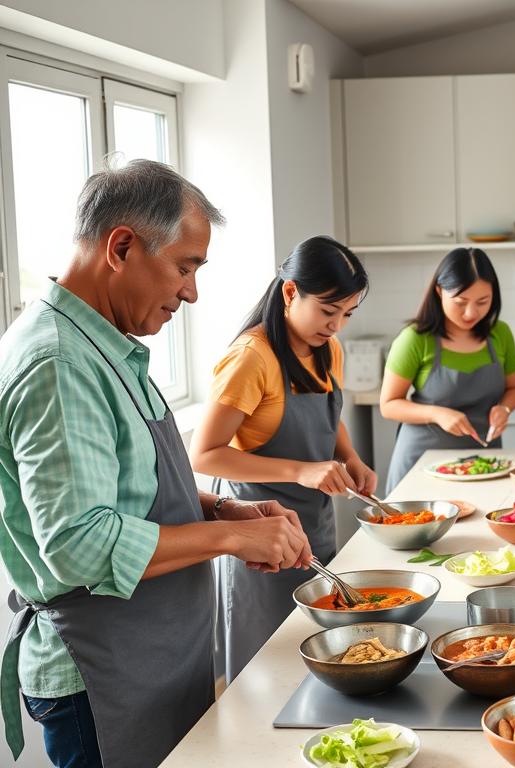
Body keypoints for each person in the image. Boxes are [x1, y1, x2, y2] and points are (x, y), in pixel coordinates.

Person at [0, 160, 310, 768]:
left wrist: (223, 507)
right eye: (185, 266)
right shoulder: (60, 364)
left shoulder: (108, 347)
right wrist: (229, 536)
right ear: (121, 246)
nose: (191, 291)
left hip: (155, 657)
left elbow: (134, 489)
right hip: (104, 677)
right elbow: (78, 546)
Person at [189, 236, 373, 682]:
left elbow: (330, 419)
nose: (336, 326)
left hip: (315, 528)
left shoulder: (327, 349)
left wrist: (349, 457)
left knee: (323, 662)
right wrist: (301, 470)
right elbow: (204, 455)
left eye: (347, 314)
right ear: (290, 292)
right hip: (258, 542)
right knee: (267, 676)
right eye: (328, 311)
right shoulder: (251, 358)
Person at [380, 248, 515, 493]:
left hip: (486, 463)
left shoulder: (501, 334)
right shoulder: (414, 339)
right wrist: (438, 414)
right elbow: (389, 405)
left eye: (482, 302)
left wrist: (505, 408)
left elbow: (514, 388)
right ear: (439, 292)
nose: (471, 313)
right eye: (460, 302)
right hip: (423, 462)